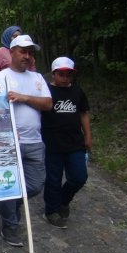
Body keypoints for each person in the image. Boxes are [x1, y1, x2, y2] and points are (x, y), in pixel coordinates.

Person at [0, 34, 52, 247]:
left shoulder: (37, 78)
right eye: (23, 51)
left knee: (35, 185)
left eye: (30, 52)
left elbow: (47, 104)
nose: (27, 56)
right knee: (9, 184)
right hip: (9, 142)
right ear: (12, 52)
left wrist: (24, 97)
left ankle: (12, 202)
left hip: (35, 142)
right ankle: (10, 226)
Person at [41, 57, 92, 229]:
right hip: (52, 144)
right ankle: (51, 210)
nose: (64, 78)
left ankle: (64, 199)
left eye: (68, 75)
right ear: (53, 74)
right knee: (53, 179)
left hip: (74, 143)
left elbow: (84, 113)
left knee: (79, 176)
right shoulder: (46, 92)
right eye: (61, 74)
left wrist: (88, 136)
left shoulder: (77, 92)